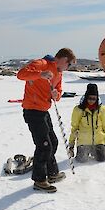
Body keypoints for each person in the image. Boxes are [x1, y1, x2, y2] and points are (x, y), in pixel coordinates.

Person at [17, 48, 76, 193]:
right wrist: (40, 74)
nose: (68, 69)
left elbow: (58, 92)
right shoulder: (41, 63)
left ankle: (52, 173)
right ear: (63, 60)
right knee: (44, 146)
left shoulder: (59, 73)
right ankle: (39, 180)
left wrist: (56, 94)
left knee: (53, 142)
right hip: (32, 110)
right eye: (69, 65)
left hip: (44, 110)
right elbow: (21, 74)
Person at [68, 83, 105, 163]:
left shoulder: (103, 110)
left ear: (97, 98)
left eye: (94, 98)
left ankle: (97, 150)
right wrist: (71, 145)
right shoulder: (78, 110)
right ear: (86, 97)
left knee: (102, 158)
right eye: (89, 98)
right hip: (83, 142)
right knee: (81, 160)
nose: (91, 101)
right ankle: (86, 150)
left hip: (98, 141)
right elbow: (74, 128)